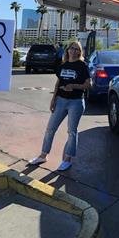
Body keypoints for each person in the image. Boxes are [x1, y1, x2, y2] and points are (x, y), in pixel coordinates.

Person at [28, 40, 90, 171]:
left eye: (77, 49)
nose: (74, 51)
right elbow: (58, 83)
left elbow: (88, 84)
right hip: (61, 100)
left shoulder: (82, 66)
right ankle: (43, 155)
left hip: (76, 102)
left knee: (72, 132)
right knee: (50, 129)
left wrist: (73, 86)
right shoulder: (63, 65)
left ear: (80, 52)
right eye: (72, 48)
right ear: (67, 50)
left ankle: (67, 159)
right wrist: (53, 99)